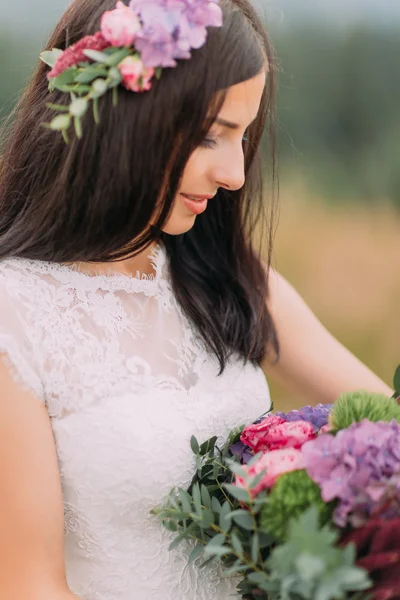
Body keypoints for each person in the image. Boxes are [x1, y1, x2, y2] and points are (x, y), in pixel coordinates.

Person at [0, 0, 392, 599]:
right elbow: (28, 585)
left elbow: (385, 426)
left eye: (244, 136)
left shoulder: (227, 275)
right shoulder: (15, 314)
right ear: (120, 115)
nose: (235, 173)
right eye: (212, 134)